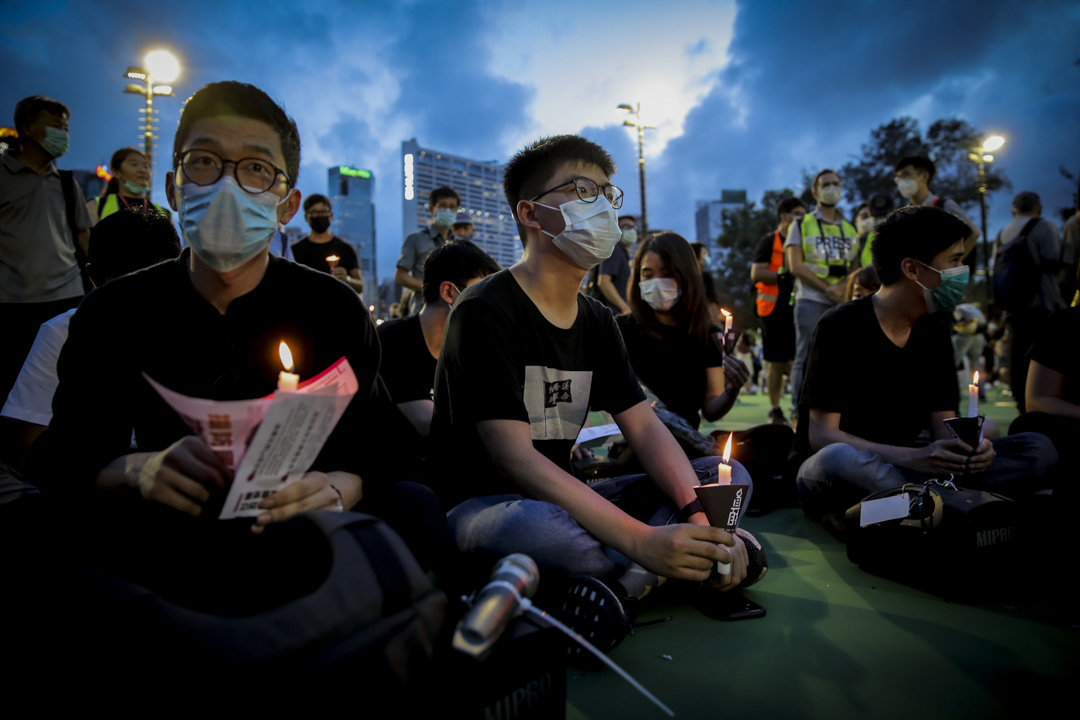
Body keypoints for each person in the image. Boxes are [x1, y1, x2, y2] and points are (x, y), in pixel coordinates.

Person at [31, 81, 444, 594]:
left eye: (255, 169)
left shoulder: (331, 308)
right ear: (174, 187)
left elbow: (380, 445)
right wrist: (139, 470)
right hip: (167, 528)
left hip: (302, 525)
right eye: (204, 161)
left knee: (415, 507)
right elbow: (65, 458)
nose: (227, 185)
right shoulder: (115, 309)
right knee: (45, 531)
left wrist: (337, 488)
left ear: (286, 205)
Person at [429, 135, 754, 634]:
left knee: (723, 477)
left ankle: (627, 581)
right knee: (536, 529)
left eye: (607, 193)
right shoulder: (484, 310)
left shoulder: (599, 321)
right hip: (488, 508)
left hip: (571, 498)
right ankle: (665, 566)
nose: (602, 207)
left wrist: (696, 515)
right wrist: (643, 540)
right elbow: (512, 459)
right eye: (583, 191)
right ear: (531, 214)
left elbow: (645, 430)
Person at [795, 206, 1056, 531]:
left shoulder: (934, 331)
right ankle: (942, 503)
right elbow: (821, 435)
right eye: (955, 260)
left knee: (1038, 448)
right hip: (854, 468)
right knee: (839, 460)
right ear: (912, 268)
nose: (963, 270)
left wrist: (973, 448)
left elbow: (941, 429)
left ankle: (906, 507)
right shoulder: (840, 325)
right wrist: (914, 458)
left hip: (920, 468)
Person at [1, 209, 181, 469]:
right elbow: (29, 442)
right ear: (94, 277)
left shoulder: (202, 328)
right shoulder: (63, 333)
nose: (142, 308)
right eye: (125, 294)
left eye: (157, 291)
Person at [0, 95, 92, 410]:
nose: (63, 134)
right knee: (14, 389)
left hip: (66, 297)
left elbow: (83, 236)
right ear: (27, 127)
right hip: (12, 302)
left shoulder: (67, 184)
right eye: (55, 126)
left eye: (65, 127)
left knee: (66, 384)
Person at [617, 231, 749, 433]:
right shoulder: (620, 330)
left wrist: (732, 389)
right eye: (648, 275)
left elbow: (711, 409)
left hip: (686, 442)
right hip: (636, 445)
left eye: (666, 274)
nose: (657, 283)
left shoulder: (707, 336)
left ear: (686, 274)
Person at [378, 239, 499, 438]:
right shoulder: (394, 340)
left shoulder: (471, 350)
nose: (491, 304)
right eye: (483, 292)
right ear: (449, 292)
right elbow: (430, 424)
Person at [785, 168, 859, 425]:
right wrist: (826, 287)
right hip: (811, 298)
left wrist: (844, 289)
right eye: (826, 184)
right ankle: (798, 413)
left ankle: (842, 412)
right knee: (805, 355)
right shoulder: (801, 224)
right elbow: (795, 265)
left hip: (843, 300)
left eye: (837, 183)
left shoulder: (850, 228)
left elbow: (856, 265)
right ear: (815, 191)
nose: (832, 188)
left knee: (845, 356)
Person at [994, 191, 1065, 413]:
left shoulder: (1002, 234)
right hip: (1043, 307)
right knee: (1045, 366)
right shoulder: (1045, 227)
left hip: (1015, 311)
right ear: (1040, 208)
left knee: (1019, 366)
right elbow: (1055, 265)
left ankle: (1022, 409)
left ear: (1013, 210)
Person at [752, 196, 806, 424]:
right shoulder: (769, 241)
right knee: (777, 361)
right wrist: (784, 276)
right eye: (797, 214)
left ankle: (800, 405)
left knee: (800, 359)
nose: (801, 219)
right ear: (784, 216)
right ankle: (775, 408)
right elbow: (756, 273)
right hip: (773, 310)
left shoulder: (805, 240)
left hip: (800, 305)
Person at [894, 156, 979, 256]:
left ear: (924, 176)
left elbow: (973, 233)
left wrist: (953, 263)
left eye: (906, 174)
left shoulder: (943, 206)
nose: (902, 181)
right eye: (898, 177)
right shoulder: (904, 214)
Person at [396, 186, 459, 315]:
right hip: (422, 310)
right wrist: (430, 287)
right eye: (442, 205)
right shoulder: (416, 239)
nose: (448, 210)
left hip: (454, 312)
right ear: (432, 209)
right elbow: (401, 276)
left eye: (452, 207)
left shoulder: (460, 245)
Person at [290, 194, 364, 295]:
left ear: (331, 216)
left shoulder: (345, 249)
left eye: (323, 212)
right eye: (315, 212)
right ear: (307, 217)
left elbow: (360, 286)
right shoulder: (295, 250)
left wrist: (347, 279)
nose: (320, 216)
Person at [86, 147, 171, 223]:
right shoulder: (97, 206)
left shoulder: (164, 214)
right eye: (134, 164)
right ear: (116, 172)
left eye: (146, 166)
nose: (142, 170)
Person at [588, 214, 635, 315]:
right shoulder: (615, 249)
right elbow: (604, 282)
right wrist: (625, 308)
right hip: (611, 314)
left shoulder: (622, 252)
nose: (632, 231)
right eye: (626, 227)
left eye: (633, 227)